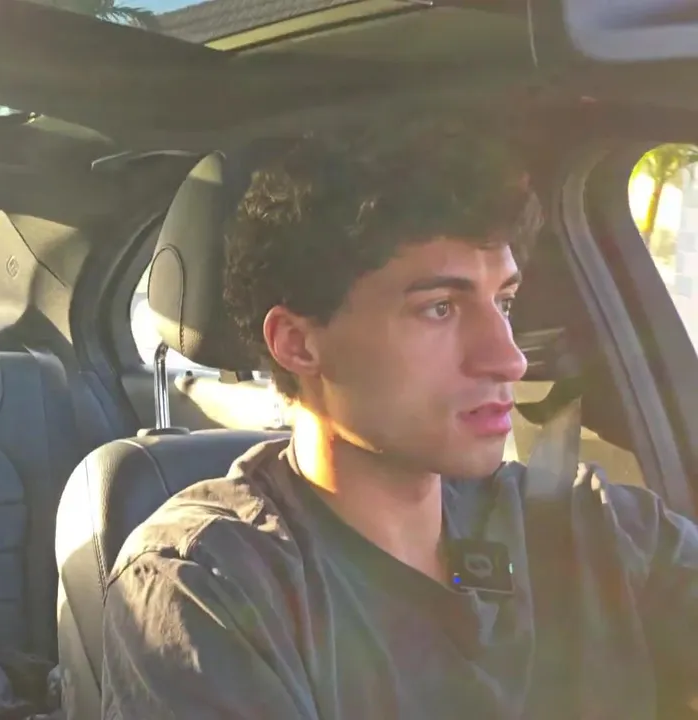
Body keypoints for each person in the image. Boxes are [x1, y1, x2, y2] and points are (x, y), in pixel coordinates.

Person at [101, 118, 698, 718]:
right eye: (440, 308)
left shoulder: (591, 526)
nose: (509, 358)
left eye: (505, 303)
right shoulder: (209, 584)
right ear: (298, 343)